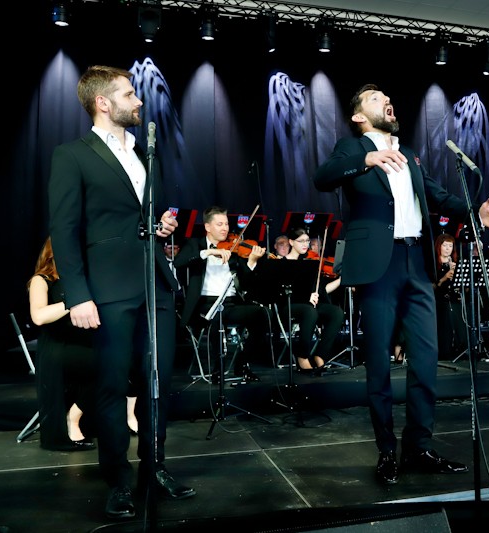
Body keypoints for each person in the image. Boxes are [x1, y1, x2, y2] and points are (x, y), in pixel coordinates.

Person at [313, 83, 489, 485]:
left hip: (416, 263)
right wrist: (367, 158)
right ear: (359, 116)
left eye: (387, 96)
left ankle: (418, 446)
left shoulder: (411, 154)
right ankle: (387, 451)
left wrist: (476, 213)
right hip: (378, 266)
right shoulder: (352, 148)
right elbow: (323, 177)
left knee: (426, 358)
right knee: (379, 362)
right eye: (375, 98)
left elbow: (438, 197)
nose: (387, 100)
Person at [48, 65, 193, 520]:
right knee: (111, 386)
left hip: (155, 283)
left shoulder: (146, 151)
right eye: (130, 94)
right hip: (108, 288)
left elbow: (142, 215)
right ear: (103, 103)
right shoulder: (72, 155)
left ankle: (155, 467)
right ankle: (117, 479)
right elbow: (64, 230)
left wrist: (160, 224)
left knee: (157, 382)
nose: (139, 101)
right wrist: (77, 295)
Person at [173, 205, 271, 382]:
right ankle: (218, 369)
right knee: (217, 317)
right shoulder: (195, 244)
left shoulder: (233, 249)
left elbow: (246, 283)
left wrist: (251, 262)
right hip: (205, 304)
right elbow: (178, 262)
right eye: (219, 224)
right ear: (208, 227)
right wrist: (210, 252)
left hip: (231, 303)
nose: (225, 228)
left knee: (263, 314)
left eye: (226, 224)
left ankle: (242, 363)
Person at [27, 237, 96, 452]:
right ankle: (71, 420)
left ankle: (74, 415)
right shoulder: (42, 280)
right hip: (58, 347)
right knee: (109, 365)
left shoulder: (84, 278)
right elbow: (39, 316)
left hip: (84, 343)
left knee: (121, 363)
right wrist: (74, 302)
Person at [273, 227, 344, 373]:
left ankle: (320, 355)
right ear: (291, 242)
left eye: (307, 241)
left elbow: (322, 290)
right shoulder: (281, 264)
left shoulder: (310, 264)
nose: (305, 244)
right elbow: (281, 293)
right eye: (301, 241)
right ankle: (302, 356)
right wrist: (306, 296)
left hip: (308, 305)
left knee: (336, 312)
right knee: (309, 311)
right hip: (289, 305)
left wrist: (341, 280)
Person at [433, 233, 467, 360]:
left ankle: (461, 348)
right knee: (446, 312)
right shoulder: (434, 264)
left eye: (450, 246)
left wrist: (459, 277)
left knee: (463, 311)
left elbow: (464, 287)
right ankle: (444, 350)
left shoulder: (455, 262)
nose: (448, 249)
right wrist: (445, 277)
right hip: (439, 300)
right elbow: (432, 286)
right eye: (445, 245)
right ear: (439, 247)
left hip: (454, 298)